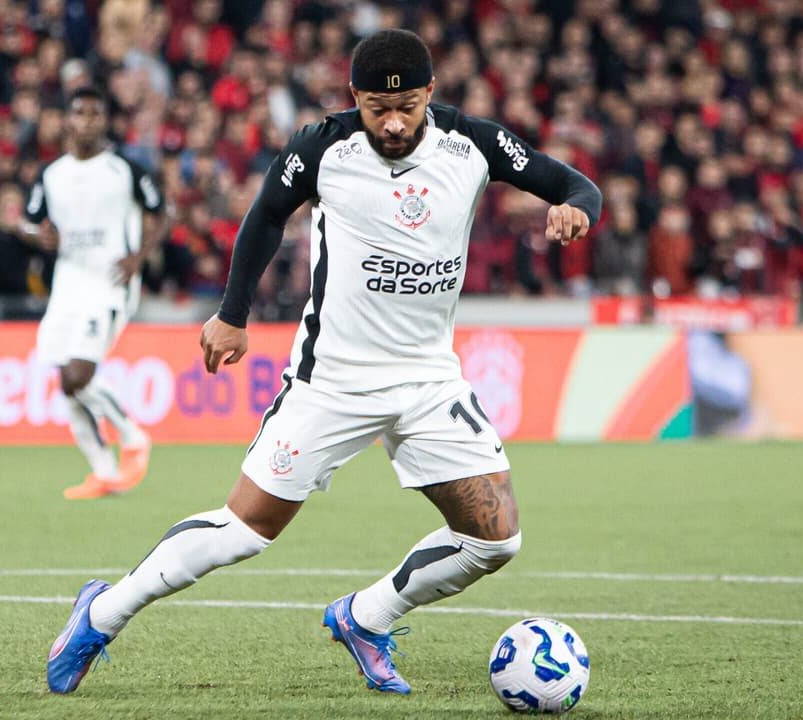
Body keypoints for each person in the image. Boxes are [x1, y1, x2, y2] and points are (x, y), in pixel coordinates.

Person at [46, 29, 602, 694]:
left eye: (406, 107)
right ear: (354, 98)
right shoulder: (323, 147)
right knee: (244, 531)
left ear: (429, 93)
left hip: (428, 379)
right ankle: (100, 613)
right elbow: (265, 217)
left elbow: (571, 182)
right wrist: (232, 314)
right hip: (332, 379)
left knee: (495, 540)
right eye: (375, 108)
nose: (392, 122)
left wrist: (576, 209)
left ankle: (366, 618)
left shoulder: (473, 143)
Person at [24, 86, 166, 500]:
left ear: (104, 120)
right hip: (66, 286)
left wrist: (139, 256)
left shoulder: (125, 170)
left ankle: (134, 437)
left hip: (109, 285)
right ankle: (104, 471)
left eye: (94, 113)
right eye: (79, 113)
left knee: (77, 375)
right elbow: (33, 223)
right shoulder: (51, 175)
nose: (86, 120)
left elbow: (161, 212)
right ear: (67, 120)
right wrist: (40, 237)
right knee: (64, 382)